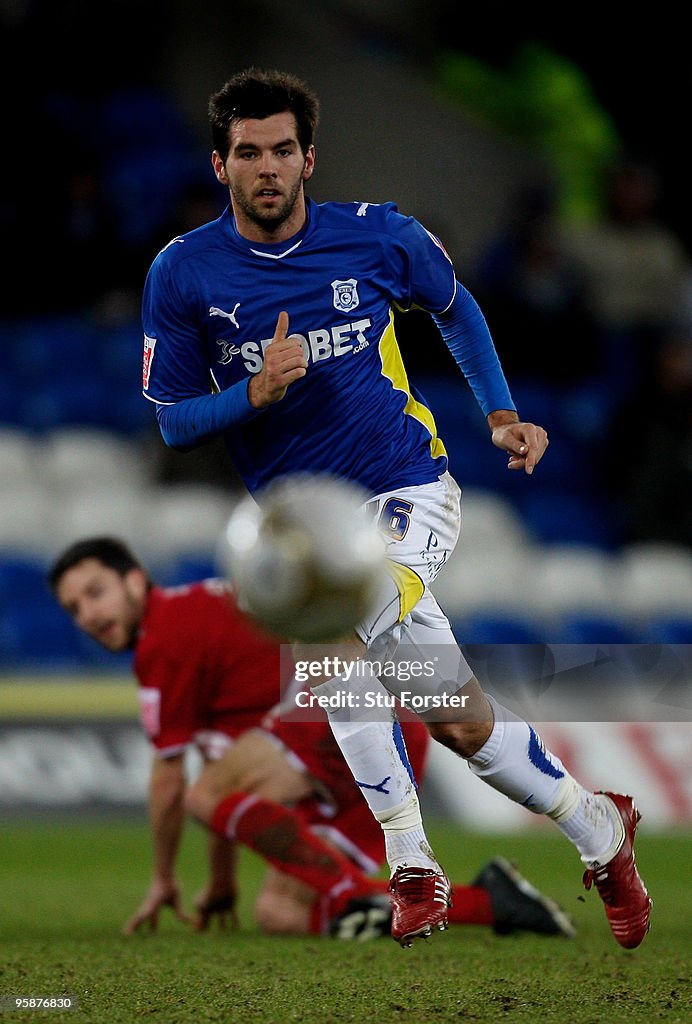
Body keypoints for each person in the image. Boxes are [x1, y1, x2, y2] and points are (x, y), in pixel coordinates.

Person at [140, 67, 651, 949]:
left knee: (333, 639)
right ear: (220, 164)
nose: (268, 168)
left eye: (283, 151)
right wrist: (251, 397)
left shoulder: (378, 238)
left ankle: (411, 863)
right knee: (457, 719)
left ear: (310, 159)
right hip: (300, 523)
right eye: (248, 153)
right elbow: (175, 420)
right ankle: (596, 826)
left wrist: (500, 413)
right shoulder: (183, 274)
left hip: (406, 487)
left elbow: (455, 309)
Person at [49, 536, 575, 941]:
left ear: (136, 582)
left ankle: (350, 895)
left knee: (203, 794)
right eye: (74, 609)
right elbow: (231, 777)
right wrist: (223, 879)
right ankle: (494, 903)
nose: (89, 615)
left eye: (95, 593)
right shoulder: (198, 622)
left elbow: (177, 784)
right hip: (376, 737)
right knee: (280, 912)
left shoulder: (166, 637)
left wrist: (165, 878)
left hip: (340, 717)